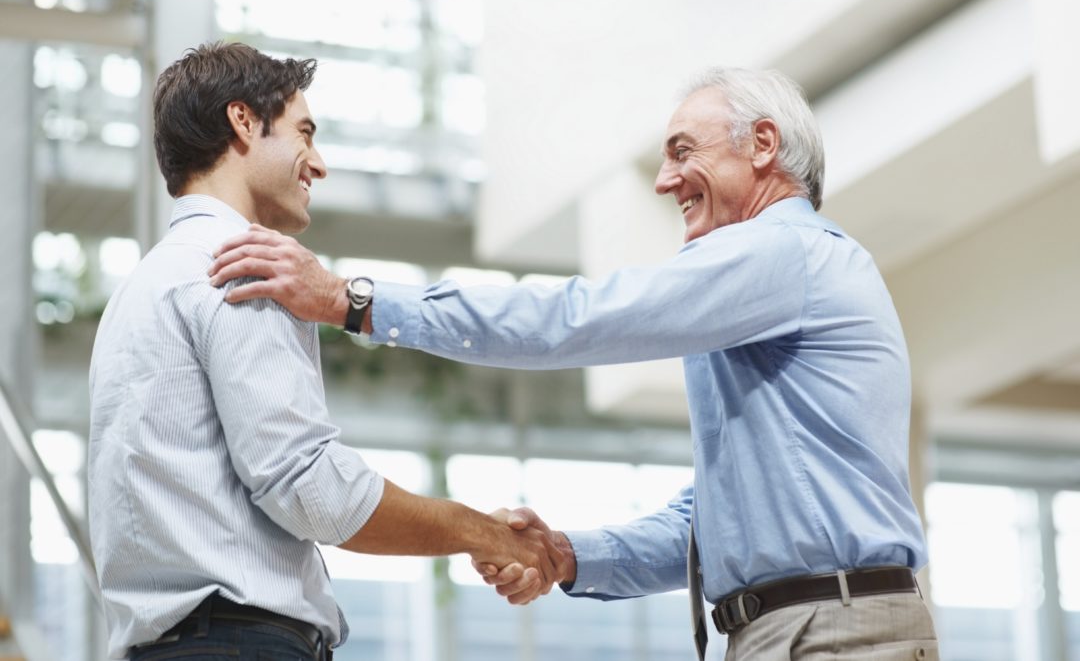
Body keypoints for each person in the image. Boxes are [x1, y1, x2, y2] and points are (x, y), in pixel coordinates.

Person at [207, 67, 939, 660]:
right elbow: (713, 521)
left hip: (838, 633)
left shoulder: (784, 253)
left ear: (763, 145)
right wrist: (567, 556)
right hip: (790, 629)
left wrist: (353, 299)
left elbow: (577, 319)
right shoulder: (765, 292)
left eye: (683, 151)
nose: (663, 179)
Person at [88, 41, 562, 661]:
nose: (318, 164)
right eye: (303, 133)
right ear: (242, 122)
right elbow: (310, 488)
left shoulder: (144, 285)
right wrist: (482, 533)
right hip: (242, 644)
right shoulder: (247, 266)